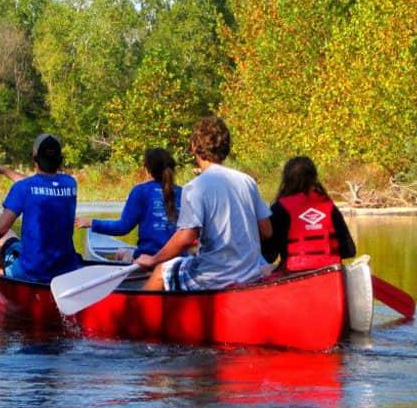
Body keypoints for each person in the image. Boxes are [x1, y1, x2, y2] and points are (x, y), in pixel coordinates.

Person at [134, 117, 273, 291]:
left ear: (193, 146)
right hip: (251, 271)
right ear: (226, 147)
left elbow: (186, 238)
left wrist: (153, 260)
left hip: (214, 276)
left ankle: (137, 315)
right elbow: (267, 231)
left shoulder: (195, 187)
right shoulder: (247, 181)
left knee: (162, 271)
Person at [0, 133, 82, 283]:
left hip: (31, 272)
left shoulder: (23, 188)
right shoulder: (70, 184)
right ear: (60, 160)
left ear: (35, 160)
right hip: (65, 269)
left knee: (1, 238)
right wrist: (1, 169)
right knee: (10, 238)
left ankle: (0, 279)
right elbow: (37, 183)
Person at [75, 148, 182, 259]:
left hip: (149, 258)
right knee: (125, 251)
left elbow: (122, 227)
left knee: (121, 253)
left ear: (147, 169)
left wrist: (91, 222)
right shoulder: (182, 192)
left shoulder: (140, 191)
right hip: (178, 258)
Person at [261, 156, 356, 271]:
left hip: (293, 273)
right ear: (314, 179)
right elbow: (349, 251)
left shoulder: (278, 209)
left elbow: (269, 256)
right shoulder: (329, 207)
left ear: (286, 180)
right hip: (330, 271)